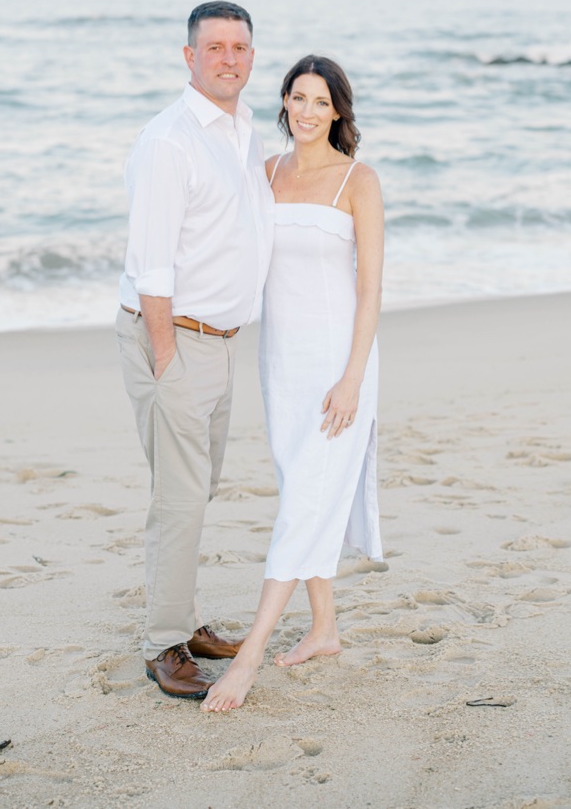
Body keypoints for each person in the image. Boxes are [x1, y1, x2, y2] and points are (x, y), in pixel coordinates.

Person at [201, 54, 384, 713]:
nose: (307, 111)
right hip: (280, 362)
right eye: (297, 98)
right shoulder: (266, 171)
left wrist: (353, 379)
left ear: (337, 111)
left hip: (338, 364)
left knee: (303, 502)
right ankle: (325, 628)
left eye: (320, 102)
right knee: (300, 492)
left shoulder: (358, 181)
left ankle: (248, 659)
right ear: (283, 102)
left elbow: (370, 292)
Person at [115, 0, 274, 700]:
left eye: (240, 47)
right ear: (189, 57)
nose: (229, 58)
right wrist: (165, 357)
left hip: (219, 341)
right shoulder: (170, 141)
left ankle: (177, 618)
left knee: (193, 490)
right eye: (215, 47)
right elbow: (152, 263)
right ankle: (162, 646)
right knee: (182, 497)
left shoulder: (240, 129)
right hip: (173, 338)